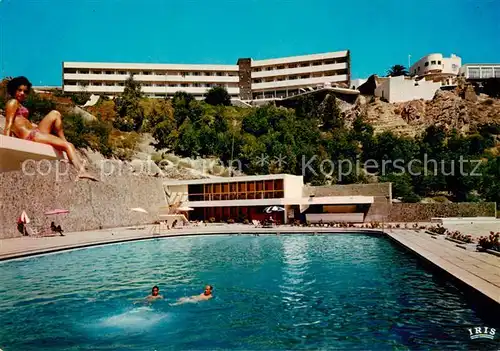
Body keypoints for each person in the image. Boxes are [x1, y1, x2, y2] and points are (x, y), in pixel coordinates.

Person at [3, 76, 97, 181]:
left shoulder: (19, 105)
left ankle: (65, 143)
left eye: (25, 91)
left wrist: (32, 125)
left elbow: (21, 123)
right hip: (31, 136)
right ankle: (81, 171)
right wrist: (8, 144)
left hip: (34, 131)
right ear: (13, 89)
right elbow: (9, 124)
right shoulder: (12, 102)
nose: (22, 93)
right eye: (19, 90)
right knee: (68, 145)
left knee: (55, 114)